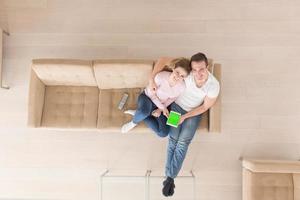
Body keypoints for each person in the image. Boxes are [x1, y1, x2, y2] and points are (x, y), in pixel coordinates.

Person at [149, 53, 220, 197]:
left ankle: (169, 177)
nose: (198, 73)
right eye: (194, 70)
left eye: (201, 69)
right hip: (176, 107)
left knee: (183, 143)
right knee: (173, 140)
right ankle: (170, 178)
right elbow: (163, 58)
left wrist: (185, 117)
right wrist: (151, 80)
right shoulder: (186, 74)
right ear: (191, 69)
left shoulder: (213, 85)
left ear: (207, 66)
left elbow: (204, 107)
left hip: (194, 112)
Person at [121, 58, 191, 136]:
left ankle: (140, 115)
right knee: (144, 111)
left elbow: (172, 99)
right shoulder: (161, 77)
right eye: (177, 72)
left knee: (163, 133)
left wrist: (160, 110)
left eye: (182, 76)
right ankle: (133, 122)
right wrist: (162, 108)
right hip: (147, 98)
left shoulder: (182, 87)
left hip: (160, 106)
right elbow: (152, 95)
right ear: (173, 68)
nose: (178, 77)